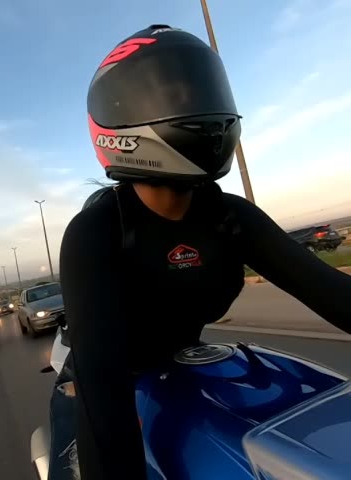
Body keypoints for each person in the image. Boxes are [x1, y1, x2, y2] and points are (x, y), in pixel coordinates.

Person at [54, 25, 351, 480]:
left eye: (200, 91)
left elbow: (331, 291)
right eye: (175, 96)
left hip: (184, 366)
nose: (197, 107)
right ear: (118, 119)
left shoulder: (229, 217)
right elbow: (103, 395)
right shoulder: (95, 233)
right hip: (94, 385)